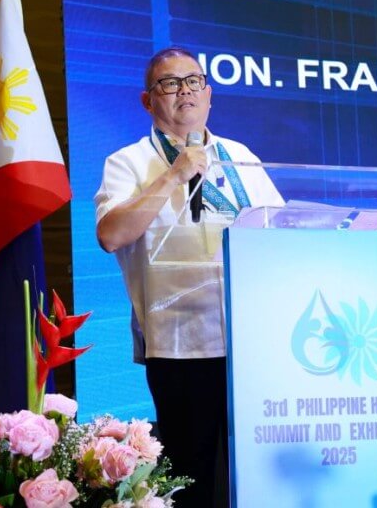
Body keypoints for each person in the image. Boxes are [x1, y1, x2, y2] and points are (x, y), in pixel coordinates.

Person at [94, 46, 282, 507]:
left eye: (193, 81)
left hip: (252, 346)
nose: (185, 91)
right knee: (190, 478)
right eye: (170, 83)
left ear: (209, 94)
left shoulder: (240, 156)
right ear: (148, 101)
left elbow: (282, 230)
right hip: (180, 346)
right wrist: (172, 176)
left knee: (259, 475)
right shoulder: (129, 162)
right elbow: (111, 235)